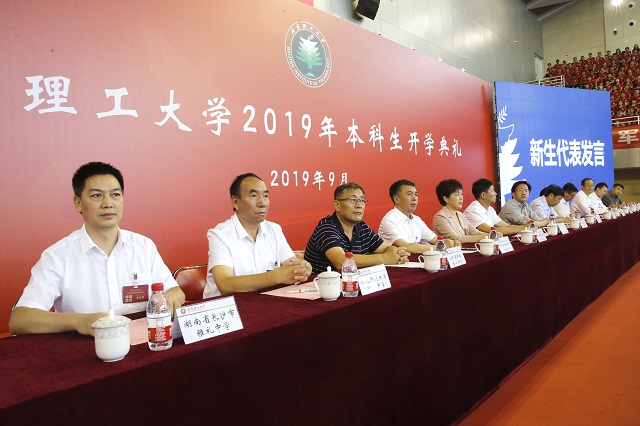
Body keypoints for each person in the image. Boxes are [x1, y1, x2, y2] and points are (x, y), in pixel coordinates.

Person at [9, 162, 185, 336]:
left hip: (144, 344)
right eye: (96, 196)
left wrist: (169, 299)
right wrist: (79, 321)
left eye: (115, 195)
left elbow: (174, 291)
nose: (108, 203)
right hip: (84, 349)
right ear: (78, 203)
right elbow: (20, 320)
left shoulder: (144, 246)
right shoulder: (57, 256)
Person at [205, 173, 312, 297]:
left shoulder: (274, 230)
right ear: (235, 202)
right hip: (227, 306)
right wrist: (276, 276)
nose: (262, 203)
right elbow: (225, 285)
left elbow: (293, 265)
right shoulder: (220, 235)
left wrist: (304, 268)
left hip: (262, 302)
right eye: (254, 195)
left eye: (265, 196)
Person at [305, 182, 408, 275]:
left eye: (362, 200)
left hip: (353, 283)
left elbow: (385, 248)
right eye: (353, 200)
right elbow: (341, 261)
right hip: (321, 286)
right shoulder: (326, 227)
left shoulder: (362, 227)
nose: (359, 205)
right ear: (337, 205)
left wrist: (397, 253)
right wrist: (384, 258)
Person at [378, 179, 457, 254]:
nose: (414, 198)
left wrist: (451, 243)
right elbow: (406, 247)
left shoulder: (416, 220)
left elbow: (435, 239)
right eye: (409, 194)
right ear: (396, 199)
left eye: (416, 194)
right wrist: (439, 247)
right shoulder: (389, 220)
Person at [432, 179, 488, 243]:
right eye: (457, 194)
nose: (461, 198)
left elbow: (474, 232)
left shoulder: (460, 215)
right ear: (446, 198)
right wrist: (484, 236)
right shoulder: (440, 217)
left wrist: (489, 235)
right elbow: (455, 238)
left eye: (461, 194)